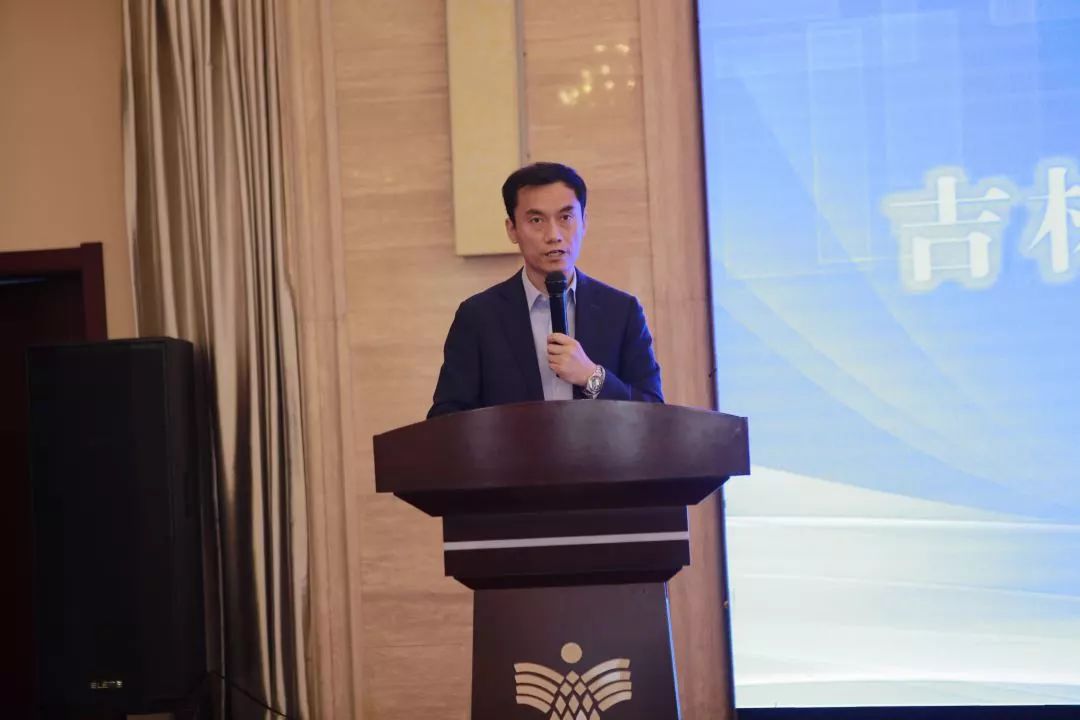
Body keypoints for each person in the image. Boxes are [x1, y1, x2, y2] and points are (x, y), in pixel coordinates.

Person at [427, 162, 663, 418]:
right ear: (512, 229)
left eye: (566, 218)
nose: (553, 235)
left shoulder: (622, 311)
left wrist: (591, 376)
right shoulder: (478, 316)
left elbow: (654, 414)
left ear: (584, 222)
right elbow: (446, 418)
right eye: (536, 220)